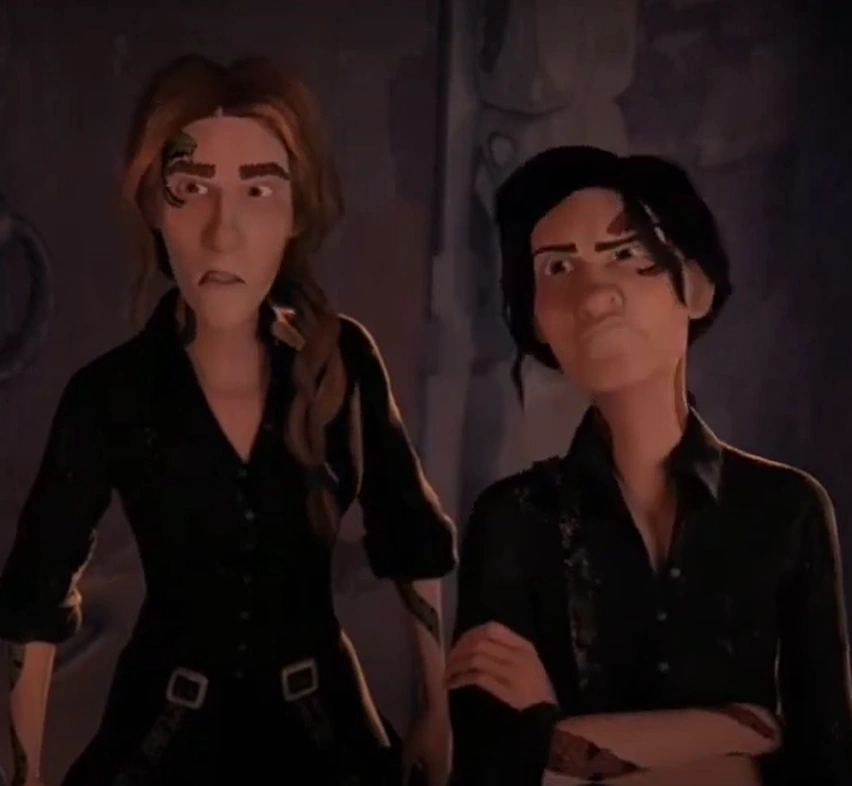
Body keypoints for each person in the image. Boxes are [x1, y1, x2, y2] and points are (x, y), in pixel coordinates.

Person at [0, 54, 457, 786]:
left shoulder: (344, 362)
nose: (223, 232)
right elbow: (33, 598)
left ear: (297, 213)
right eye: (190, 190)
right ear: (153, 206)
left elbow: (412, 537)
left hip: (326, 731)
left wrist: (437, 710)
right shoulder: (110, 394)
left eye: (258, 191)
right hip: (161, 736)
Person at [445, 145, 852, 786]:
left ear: (697, 287)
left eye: (627, 255)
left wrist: (564, 743)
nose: (593, 296)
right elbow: (493, 771)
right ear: (537, 321)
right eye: (557, 267)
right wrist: (741, 736)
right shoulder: (512, 519)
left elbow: (823, 763)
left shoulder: (787, 509)